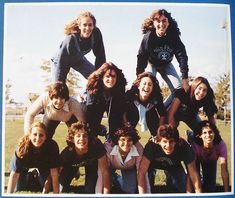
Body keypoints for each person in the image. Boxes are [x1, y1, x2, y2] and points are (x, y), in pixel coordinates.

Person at [136, 9, 189, 108]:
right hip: (151, 63)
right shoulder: (149, 37)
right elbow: (141, 56)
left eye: (164, 21)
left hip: (166, 64)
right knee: (148, 86)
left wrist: (185, 78)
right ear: (154, 23)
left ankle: (162, 110)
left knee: (179, 90)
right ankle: (147, 112)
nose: (161, 24)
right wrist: (139, 76)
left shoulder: (173, 35)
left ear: (168, 23)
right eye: (158, 21)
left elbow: (182, 55)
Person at [137, 125, 202, 193]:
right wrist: (142, 196)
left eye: (171, 141)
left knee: (183, 187)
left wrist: (195, 195)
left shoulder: (183, 146)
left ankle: (171, 182)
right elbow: (142, 172)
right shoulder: (152, 145)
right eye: (165, 141)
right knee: (143, 186)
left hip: (174, 165)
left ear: (176, 142)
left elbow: (193, 173)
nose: (168, 146)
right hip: (151, 165)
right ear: (158, 142)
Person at [52, 11, 106, 83]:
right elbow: (62, 64)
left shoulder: (96, 34)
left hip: (78, 59)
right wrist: (59, 84)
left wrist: (101, 75)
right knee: (58, 86)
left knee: (96, 78)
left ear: (93, 26)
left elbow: (100, 56)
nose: (87, 28)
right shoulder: (70, 39)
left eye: (90, 25)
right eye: (84, 25)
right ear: (79, 26)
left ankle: (88, 94)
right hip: (60, 60)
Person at [7, 122, 60, 194]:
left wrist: (56, 195)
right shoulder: (22, 147)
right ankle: (31, 175)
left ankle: (37, 176)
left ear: (45, 137)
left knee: (49, 187)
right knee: (19, 187)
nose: (38, 138)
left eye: (41, 135)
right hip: (25, 166)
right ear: (30, 135)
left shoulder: (52, 146)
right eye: (35, 134)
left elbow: (54, 174)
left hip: (43, 165)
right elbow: (14, 175)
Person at [59, 121, 110, 194]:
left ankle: (114, 177)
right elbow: (56, 171)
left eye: (85, 136)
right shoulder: (67, 153)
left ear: (89, 138)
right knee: (61, 187)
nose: (82, 138)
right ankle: (75, 172)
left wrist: (106, 194)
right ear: (72, 139)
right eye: (78, 136)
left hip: (91, 165)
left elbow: (105, 171)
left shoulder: (96, 146)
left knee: (89, 190)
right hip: (72, 165)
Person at [97, 125, 150, 193]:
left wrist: (145, 196)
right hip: (110, 167)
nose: (126, 143)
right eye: (123, 140)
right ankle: (113, 177)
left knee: (130, 190)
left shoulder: (139, 149)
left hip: (130, 167)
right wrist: (102, 195)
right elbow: (103, 172)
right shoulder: (108, 148)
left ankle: (116, 179)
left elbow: (141, 173)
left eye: (129, 140)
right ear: (117, 140)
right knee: (106, 187)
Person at [85, 62, 127, 137]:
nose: (111, 79)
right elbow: (90, 113)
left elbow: (119, 111)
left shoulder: (119, 88)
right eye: (107, 76)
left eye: (113, 76)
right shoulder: (93, 87)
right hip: (92, 108)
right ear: (102, 77)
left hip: (111, 104)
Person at [189, 121, 229, 192]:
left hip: (211, 159)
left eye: (210, 132)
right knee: (194, 184)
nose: (208, 135)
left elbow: (224, 171)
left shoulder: (221, 145)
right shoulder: (194, 146)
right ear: (200, 135)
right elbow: (192, 170)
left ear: (214, 133)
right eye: (204, 133)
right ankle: (190, 134)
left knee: (210, 188)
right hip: (197, 155)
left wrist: (227, 193)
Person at [124, 72, 166, 137]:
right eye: (144, 84)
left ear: (153, 87)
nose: (146, 87)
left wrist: (159, 131)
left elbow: (162, 114)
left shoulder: (157, 97)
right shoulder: (130, 94)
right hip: (132, 115)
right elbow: (122, 110)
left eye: (150, 85)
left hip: (150, 116)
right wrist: (125, 123)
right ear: (138, 86)